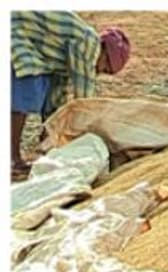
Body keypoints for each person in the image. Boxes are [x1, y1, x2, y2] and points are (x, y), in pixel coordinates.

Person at [10, 11, 130, 176]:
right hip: (15, 30)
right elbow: (85, 99)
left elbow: (57, 96)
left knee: (39, 86)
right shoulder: (89, 45)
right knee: (27, 90)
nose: (98, 72)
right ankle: (12, 159)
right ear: (105, 54)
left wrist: (50, 131)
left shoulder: (69, 57)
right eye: (105, 68)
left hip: (29, 40)